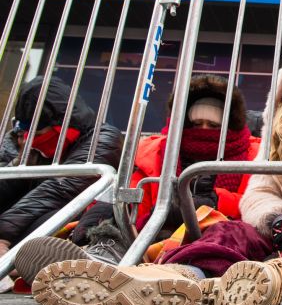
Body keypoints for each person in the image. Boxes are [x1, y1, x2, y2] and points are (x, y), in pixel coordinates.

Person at [31, 41, 282, 305]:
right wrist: (277, 218)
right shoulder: (278, 132)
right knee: (229, 231)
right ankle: (175, 280)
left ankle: (263, 284)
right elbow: (258, 193)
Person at [13, 74, 261, 283]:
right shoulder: (155, 149)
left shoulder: (253, 152)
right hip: (155, 229)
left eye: (213, 125)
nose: (204, 130)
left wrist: (214, 201)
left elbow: (255, 201)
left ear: (230, 124)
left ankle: (151, 276)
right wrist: (107, 215)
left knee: (226, 233)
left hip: (216, 231)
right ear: (182, 123)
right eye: (196, 123)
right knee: (113, 218)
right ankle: (95, 261)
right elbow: (133, 195)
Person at [0, 76, 122, 259]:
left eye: (38, 133)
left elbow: (60, 189)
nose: (28, 139)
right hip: (20, 221)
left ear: (62, 125)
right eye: (25, 133)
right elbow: (7, 183)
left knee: (56, 218)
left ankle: (30, 262)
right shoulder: (28, 146)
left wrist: (3, 235)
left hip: (71, 218)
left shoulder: (103, 139)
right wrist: (21, 160)